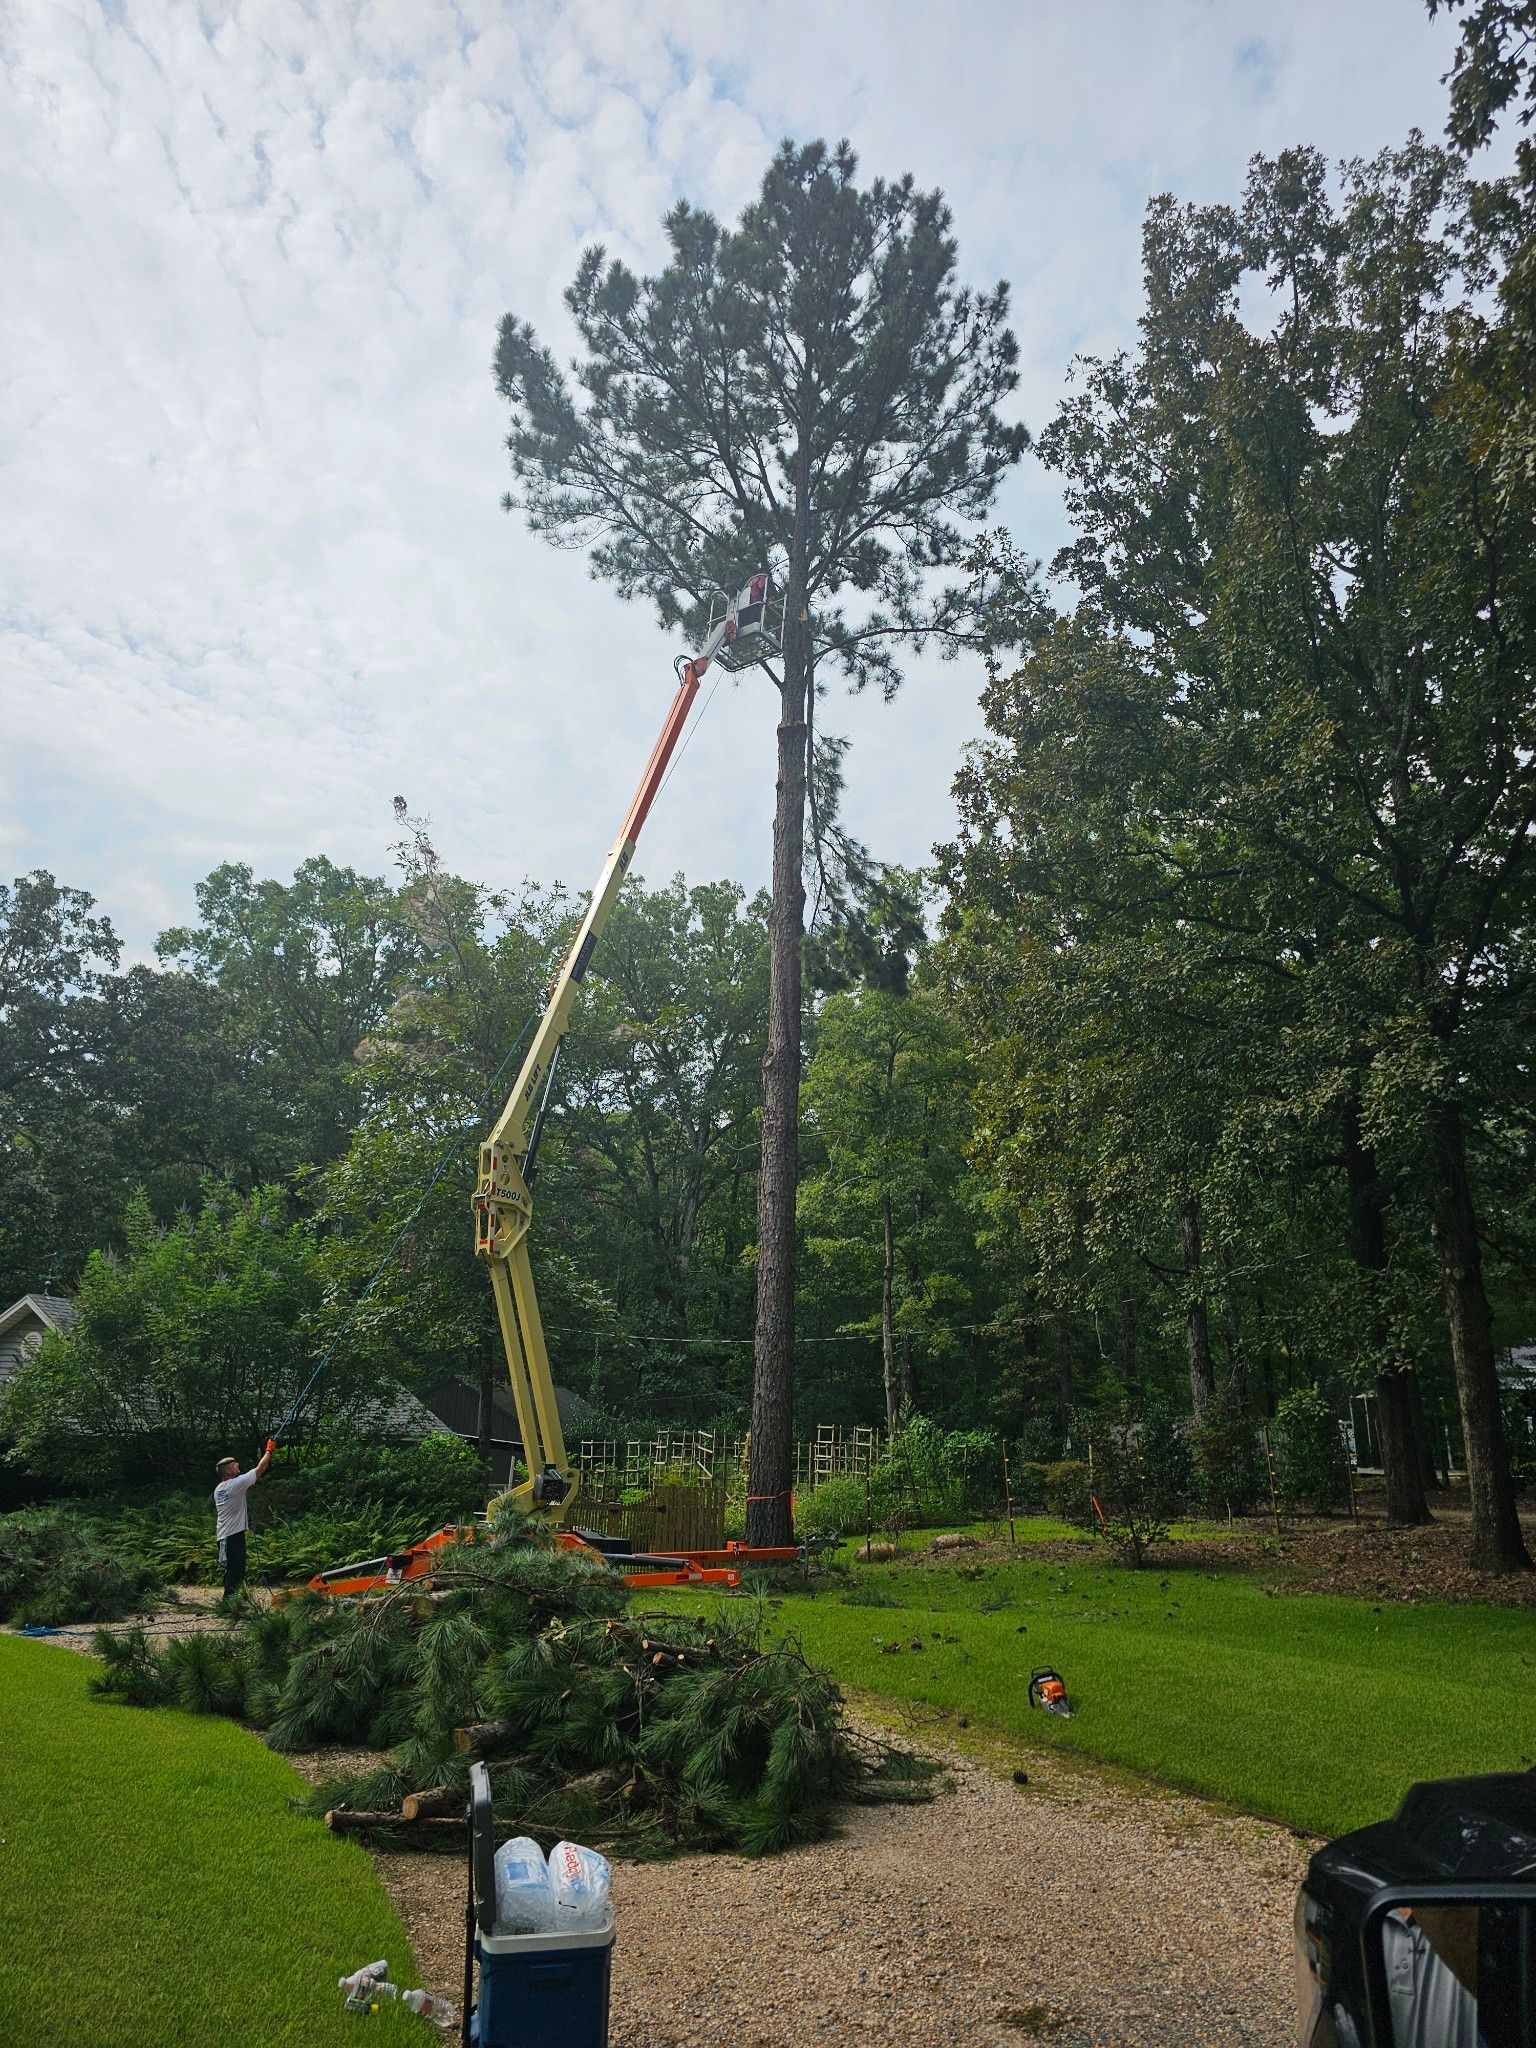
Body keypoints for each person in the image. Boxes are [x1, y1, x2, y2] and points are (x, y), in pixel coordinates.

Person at [212, 1439, 274, 1602]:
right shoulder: (235, 1484)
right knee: (237, 1570)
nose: (237, 1464)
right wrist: (268, 1450)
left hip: (224, 1536)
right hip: (233, 1535)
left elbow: (240, 1495)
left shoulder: (219, 1489)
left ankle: (231, 1600)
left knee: (233, 1569)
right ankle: (229, 1602)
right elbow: (260, 1469)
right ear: (228, 1472)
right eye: (234, 1464)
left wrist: (246, 1487)